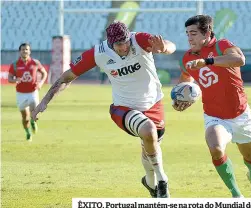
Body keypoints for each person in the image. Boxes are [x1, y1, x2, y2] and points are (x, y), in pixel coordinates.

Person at [31, 21, 176, 198]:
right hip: (123, 108)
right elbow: (66, 78)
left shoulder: (139, 39)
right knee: (148, 130)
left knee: (150, 146)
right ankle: (163, 181)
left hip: (153, 104)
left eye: (125, 42)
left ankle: (150, 182)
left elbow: (170, 45)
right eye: (118, 44)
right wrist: (45, 101)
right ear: (109, 43)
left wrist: (164, 48)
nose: (123, 47)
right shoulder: (98, 53)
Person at [173, 15, 251, 198]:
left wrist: (208, 61)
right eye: (187, 34)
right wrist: (181, 98)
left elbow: (239, 60)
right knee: (215, 148)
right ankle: (237, 195)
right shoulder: (187, 58)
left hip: (241, 114)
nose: (189, 38)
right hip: (215, 116)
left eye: (193, 33)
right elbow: (185, 79)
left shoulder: (220, 45)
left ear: (206, 33)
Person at [8, 43, 48, 141]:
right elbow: (9, 78)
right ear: (19, 51)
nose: (25, 51)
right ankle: (27, 132)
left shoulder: (35, 63)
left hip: (33, 92)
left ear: (29, 51)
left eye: (26, 49)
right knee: (25, 117)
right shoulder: (14, 65)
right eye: (23, 49)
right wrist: (15, 80)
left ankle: (33, 122)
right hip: (20, 93)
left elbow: (44, 73)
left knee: (34, 114)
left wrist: (41, 83)